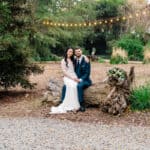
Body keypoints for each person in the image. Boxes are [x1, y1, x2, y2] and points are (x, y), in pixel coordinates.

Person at [49, 48, 80, 114]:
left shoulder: (73, 59)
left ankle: (75, 104)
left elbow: (80, 56)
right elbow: (64, 72)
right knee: (71, 85)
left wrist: (85, 57)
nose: (70, 53)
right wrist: (72, 78)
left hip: (74, 75)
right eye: (69, 51)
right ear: (66, 52)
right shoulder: (63, 61)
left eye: (72, 52)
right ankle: (70, 105)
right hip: (67, 77)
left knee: (76, 85)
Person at [61, 47, 92, 112]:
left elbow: (87, 73)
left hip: (85, 80)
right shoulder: (74, 60)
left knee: (79, 86)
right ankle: (63, 101)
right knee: (65, 86)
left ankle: (81, 104)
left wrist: (80, 79)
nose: (78, 52)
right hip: (74, 78)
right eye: (76, 52)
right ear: (75, 54)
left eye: (79, 51)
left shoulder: (86, 60)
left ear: (81, 51)